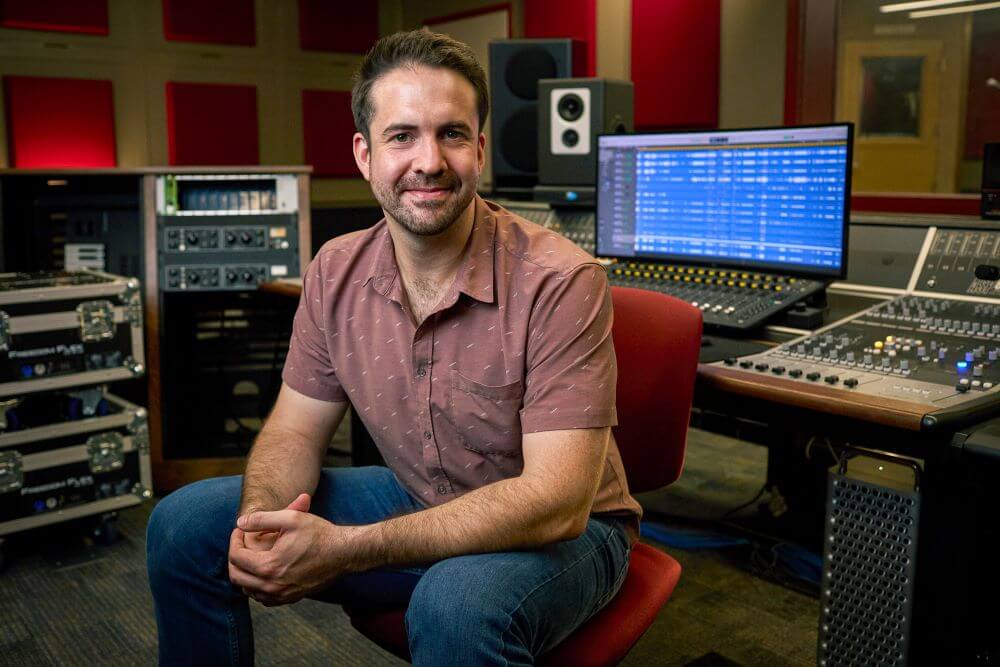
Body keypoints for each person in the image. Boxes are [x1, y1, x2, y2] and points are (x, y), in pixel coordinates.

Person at [146, 29, 642, 666]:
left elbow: (556, 500)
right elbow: (295, 433)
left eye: (453, 134)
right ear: (363, 154)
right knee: (185, 526)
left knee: (453, 604)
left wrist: (343, 549)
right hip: (420, 495)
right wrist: (265, 524)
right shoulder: (334, 270)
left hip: (569, 533)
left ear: (481, 149)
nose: (429, 161)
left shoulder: (561, 280)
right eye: (402, 135)